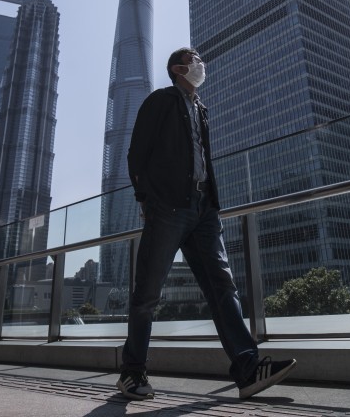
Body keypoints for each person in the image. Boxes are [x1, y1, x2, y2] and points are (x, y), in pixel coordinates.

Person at [117, 48, 296, 401]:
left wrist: (210, 201)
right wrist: (146, 199)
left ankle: (247, 369)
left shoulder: (200, 108)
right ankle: (132, 372)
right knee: (147, 295)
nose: (202, 65)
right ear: (178, 69)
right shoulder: (161, 101)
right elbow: (136, 153)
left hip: (204, 209)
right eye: (195, 60)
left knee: (222, 286)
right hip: (168, 208)